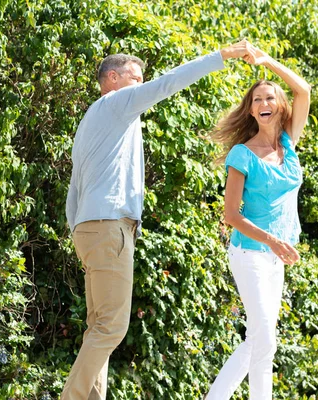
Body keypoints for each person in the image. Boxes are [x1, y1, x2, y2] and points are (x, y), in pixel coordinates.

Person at [62, 40, 255, 400]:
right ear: (114, 78)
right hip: (109, 227)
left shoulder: (92, 120)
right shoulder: (118, 103)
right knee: (112, 329)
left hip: (90, 229)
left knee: (98, 329)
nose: (143, 85)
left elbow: (74, 188)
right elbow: (168, 83)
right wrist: (222, 56)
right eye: (137, 78)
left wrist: (78, 231)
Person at [206, 46, 311, 400]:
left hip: (274, 256)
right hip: (249, 253)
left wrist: (267, 63)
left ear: (280, 105)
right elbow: (231, 215)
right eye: (256, 99)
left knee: (260, 340)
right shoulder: (242, 155)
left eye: (270, 97)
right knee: (265, 339)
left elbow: (304, 90)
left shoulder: (288, 142)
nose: (263, 102)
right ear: (251, 110)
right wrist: (271, 240)